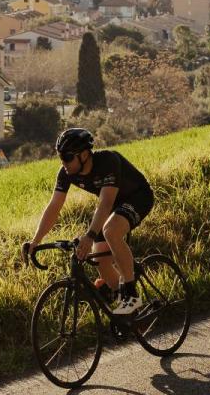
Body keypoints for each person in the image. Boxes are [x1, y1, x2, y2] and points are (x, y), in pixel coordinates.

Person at [24, 127, 155, 315]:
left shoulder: (108, 161)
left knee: (111, 231)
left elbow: (105, 203)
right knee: (100, 257)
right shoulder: (67, 173)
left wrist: (90, 235)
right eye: (60, 157)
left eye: (67, 157)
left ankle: (132, 296)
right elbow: (54, 206)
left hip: (138, 197)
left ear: (84, 154)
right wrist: (35, 240)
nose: (63, 162)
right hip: (113, 204)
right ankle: (131, 313)